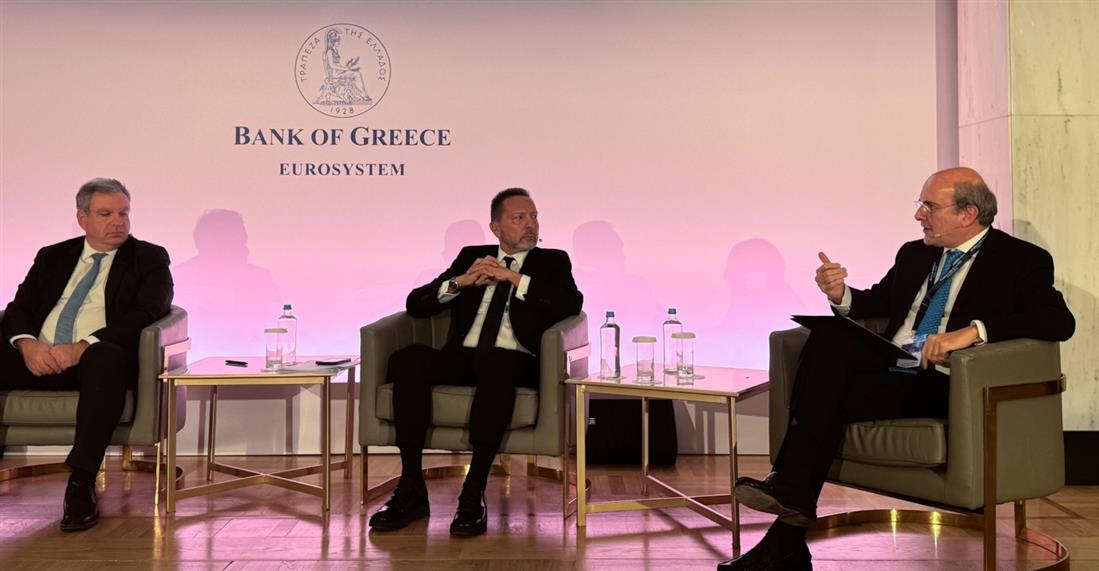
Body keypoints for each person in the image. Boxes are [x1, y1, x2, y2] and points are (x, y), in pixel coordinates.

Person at [719, 167, 1075, 570]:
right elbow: (877, 303)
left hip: (944, 381)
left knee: (825, 397)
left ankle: (788, 510)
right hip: (894, 365)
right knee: (829, 339)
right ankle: (789, 522)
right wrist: (841, 294)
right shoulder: (914, 253)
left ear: (968, 213)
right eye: (920, 205)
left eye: (929, 206)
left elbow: (1058, 321)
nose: (919, 215)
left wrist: (972, 332)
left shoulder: (1020, 260)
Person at [369, 187, 583, 537]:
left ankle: (473, 491)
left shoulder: (552, 261)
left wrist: (514, 278)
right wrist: (461, 282)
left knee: (496, 362)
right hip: (463, 358)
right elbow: (416, 304)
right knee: (409, 360)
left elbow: (570, 304)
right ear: (496, 228)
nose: (531, 225)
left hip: (515, 362)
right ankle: (411, 487)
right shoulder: (472, 256)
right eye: (519, 218)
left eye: (534, 217)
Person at [0, 178, 173, 532]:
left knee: (103, 357)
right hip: (39, 356)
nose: (118, 222)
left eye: (124, 213)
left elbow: (147, 312)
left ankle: (80, 482)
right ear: (82, 218)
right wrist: (27, 345)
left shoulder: (148, 257)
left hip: (98, 362)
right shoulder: (52, 256)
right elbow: (19, 308)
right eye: (106, 214)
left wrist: (82, 347)